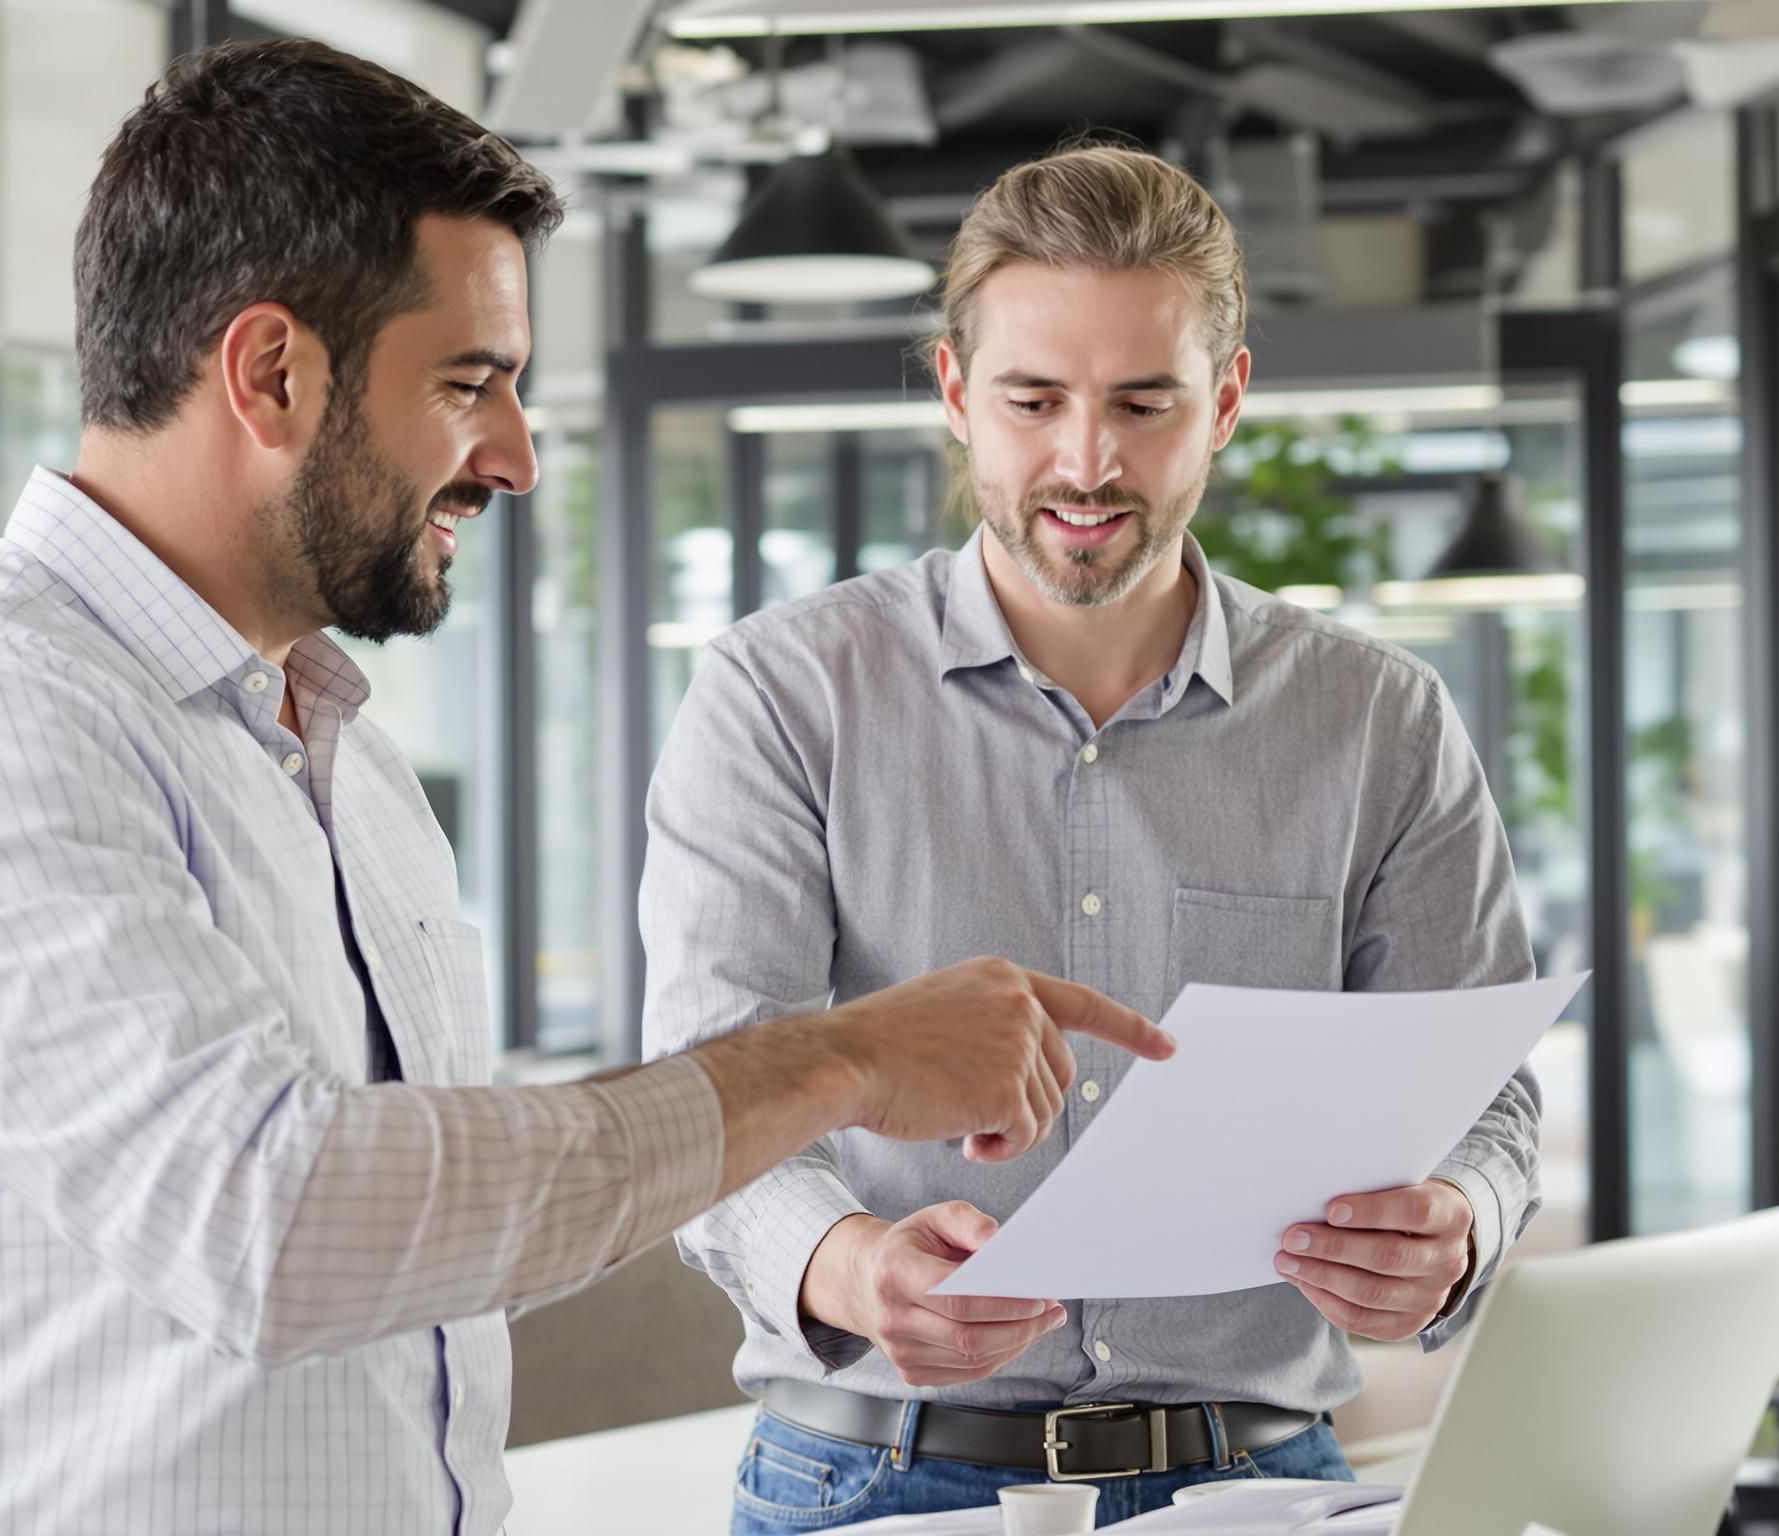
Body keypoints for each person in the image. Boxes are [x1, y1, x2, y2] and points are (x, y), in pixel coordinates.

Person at [0, 42, 1166, 1535]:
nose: (518, 460)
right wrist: (834, 1065)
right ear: (272, 372)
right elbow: (275, 1225)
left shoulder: (346, 759)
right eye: (474, 383)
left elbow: (435, 1247)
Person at [643, 144, 1544, 1531]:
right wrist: (847, 1263)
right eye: (1032, 400)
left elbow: (1483, 1089)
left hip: (1259, 1478)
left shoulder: (1380, 720)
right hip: (871, 1480)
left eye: (1143, 402)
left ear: (1225, 401)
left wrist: (1461, 1223)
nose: (1086, 461)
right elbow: (709, 1090)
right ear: (955, 395)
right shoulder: (782, 693)